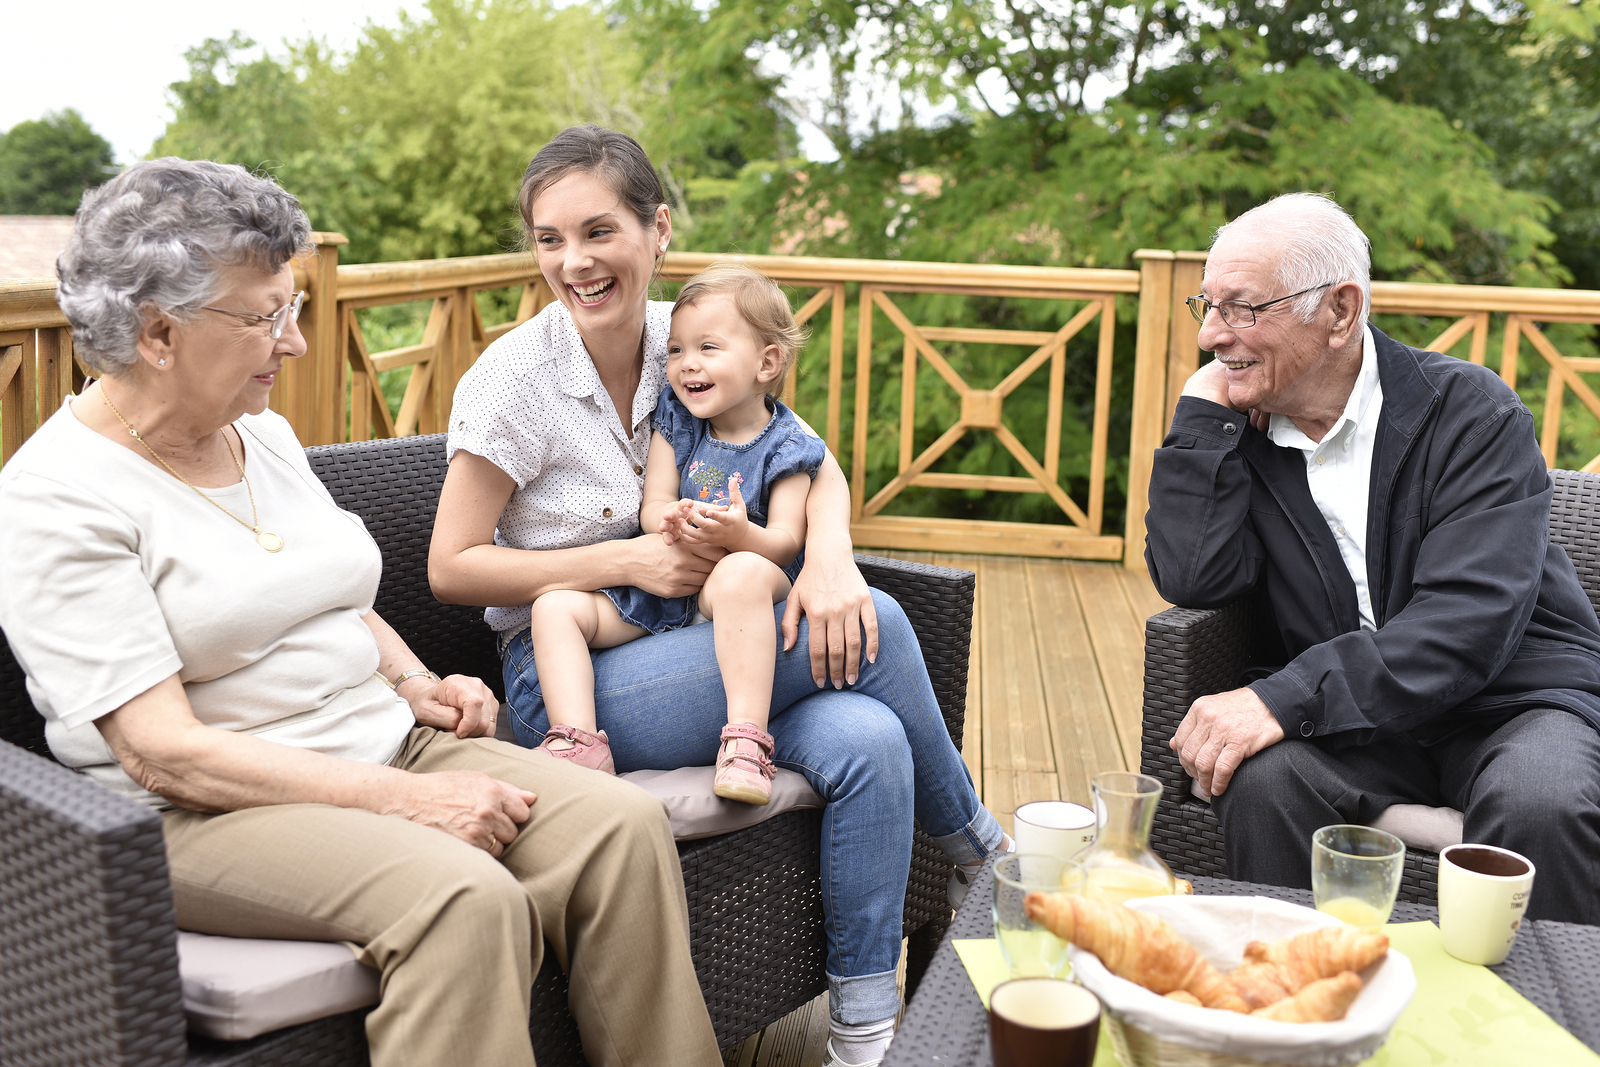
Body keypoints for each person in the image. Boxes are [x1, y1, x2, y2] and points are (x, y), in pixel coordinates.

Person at [0, 158, 720, 1067]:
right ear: (156, 332)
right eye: (266, 316)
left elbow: (336, 593)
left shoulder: (256, 430)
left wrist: (415, 680)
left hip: (382, 742)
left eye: (292, 307)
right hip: (201, 813)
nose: (295, 342)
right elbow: (161, 751)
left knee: (620, 827)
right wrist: (410, 800)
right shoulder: (54, 497)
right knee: (465, 897)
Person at [429, 125, 1009, 1067]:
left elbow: (807, 460)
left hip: (710, 644)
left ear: (656, 230)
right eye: (548, 238)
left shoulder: (689, 337)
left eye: (598, 230)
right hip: (576, 673)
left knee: (869, 739)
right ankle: (981, 853)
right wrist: (622, 564)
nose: (573, 262)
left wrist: (832, 557)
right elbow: (451, 565)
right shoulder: (515, 382)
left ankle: (863, 1036)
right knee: (887, 628)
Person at [1144, 191, 1600, 924]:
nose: (1211, 336)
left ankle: (1545, 1025)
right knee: (1264, 781)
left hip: (1512, 702)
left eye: (1241, 309)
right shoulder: (1248, 433)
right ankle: (1301, 1006)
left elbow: (1468, 624)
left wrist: (1282, 697)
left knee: (1541, 803)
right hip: (1364, 721)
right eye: (1208, 305)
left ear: (1340, 310)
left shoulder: (1472, 413)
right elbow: (1196, 577)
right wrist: (1200, 418)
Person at [528, 263, 826, 805]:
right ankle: (579, 744)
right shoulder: (680, 420)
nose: (687, 364)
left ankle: (746, 741)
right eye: (675, 351)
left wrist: (741, 535)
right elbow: (655, 502)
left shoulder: (787, 447)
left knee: (740, 574)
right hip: (664, 585)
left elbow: (784, 542)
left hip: (735, 589)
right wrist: (664, 520)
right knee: (554, 607)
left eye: (708, 348)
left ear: (767, 362)